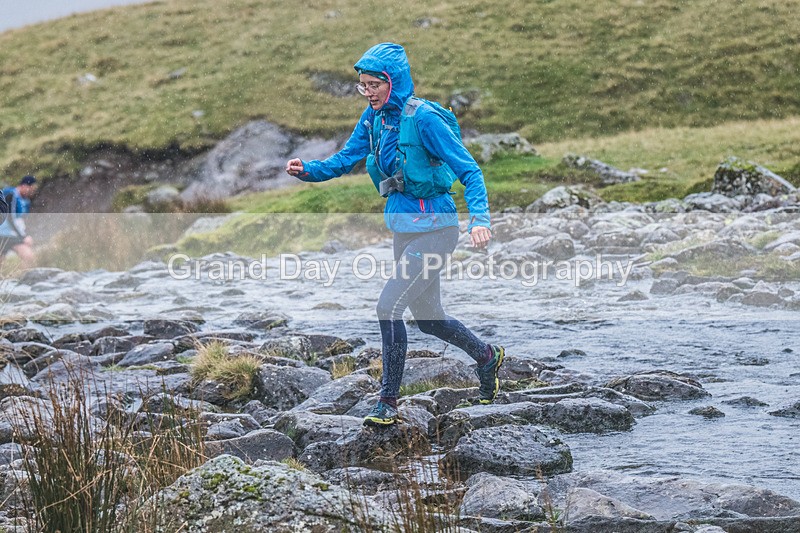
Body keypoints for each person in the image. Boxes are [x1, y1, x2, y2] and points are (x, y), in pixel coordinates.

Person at [286, 42, 504, 427]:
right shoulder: (373, 119)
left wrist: (480, 220)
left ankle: (387, 402)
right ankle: (487, 357)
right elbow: (345, 159)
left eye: (374, 84)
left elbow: (470, 171)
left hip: (437, 230)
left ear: (394, 82)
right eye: (363, 85)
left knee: (388, 307)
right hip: (403, 228)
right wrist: (309, 170)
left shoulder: (424, 119)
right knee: (429, 319)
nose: (368, 92)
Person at [0, 175, 38, 269]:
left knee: (29, 257)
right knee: (28, 256)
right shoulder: (11, 194)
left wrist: (26, 234)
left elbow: (21, 221)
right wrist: (23, 236)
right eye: (30, 189)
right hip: (4, 234)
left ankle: (21, 275)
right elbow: (10, 217)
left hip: (13, 235)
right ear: (24, 185)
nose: (31, 192)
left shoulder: (26, 200)